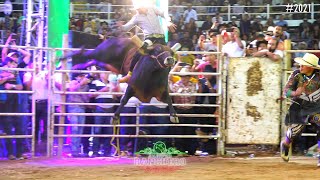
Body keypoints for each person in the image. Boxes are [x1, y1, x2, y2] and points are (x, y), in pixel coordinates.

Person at [117, 3, 177, 83]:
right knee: (139, 52)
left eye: (139, 9)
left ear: (143, 6)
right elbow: (126, 28)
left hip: (161, 38)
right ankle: (130, 74)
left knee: (168, 55)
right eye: (137, 9)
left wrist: (168, 22)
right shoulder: (137, 17)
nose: (138, 11)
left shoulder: (152, 8)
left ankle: (168, 75)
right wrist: (121, 26)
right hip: (150, 38)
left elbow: (163, 14)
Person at [280, 53, 320, 167]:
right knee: (295, 130)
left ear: (311, 67)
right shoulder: (296, 74)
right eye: (300, 64)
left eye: (304, 65)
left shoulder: (318, 75)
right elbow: (286, 91)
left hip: (316, 108)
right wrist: (295, 93)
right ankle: (286, 143)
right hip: (299, 107)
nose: (300, 67)